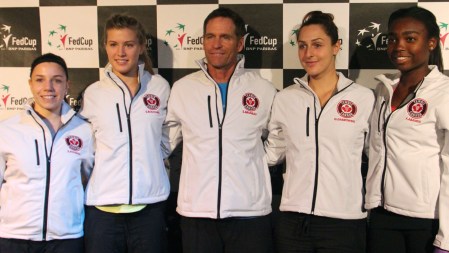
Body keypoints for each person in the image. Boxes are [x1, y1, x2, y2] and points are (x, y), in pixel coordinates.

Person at [164, 7, 277, 253]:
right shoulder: (183, 89)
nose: (216, 44)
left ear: (239, 44)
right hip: (196, 214)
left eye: (225, 37)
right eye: (210, 37)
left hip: (250, 215)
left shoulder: (263, 90)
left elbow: (281, 138)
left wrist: (258, 161)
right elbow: (164, 143)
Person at [264, 11, 375, 253]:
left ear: (336, 47)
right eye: (302, 46)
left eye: (317, 45)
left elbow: (378, 157)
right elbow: (271, 153)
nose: (308, 54)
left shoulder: (363, 98)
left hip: (344, 223)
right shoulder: (285, 99)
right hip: (292, 222)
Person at [79, 14, 170, 253]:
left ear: (140, 47)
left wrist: (152, 157)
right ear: (105, 47)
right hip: (102, 213)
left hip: (149, 208)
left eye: (128, 44)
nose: (121, 52)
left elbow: (171, 132)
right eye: (113, 44)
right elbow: (85, 148)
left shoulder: (160, 87)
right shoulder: (93, 93)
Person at [364, 6, 449, 253]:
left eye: (410, 39)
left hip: (425, 222)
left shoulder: (444, 92)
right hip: (381, 215)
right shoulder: (383, 89)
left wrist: (445, 238)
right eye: (393, 39)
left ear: (431, 43)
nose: (398, 46)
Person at [0, 53, 94, 253]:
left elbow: (89, 179)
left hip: (66, 238)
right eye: (40, 80)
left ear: (67, 85)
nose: (48, 88)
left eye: (57, 80)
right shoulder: (7, 130)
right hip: (14, 238)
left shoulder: (84, 131)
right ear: (30, 84)